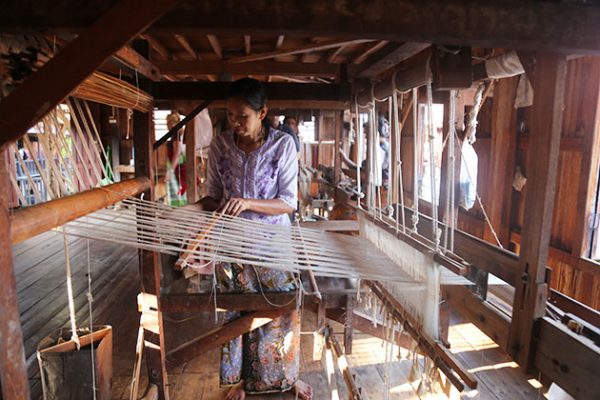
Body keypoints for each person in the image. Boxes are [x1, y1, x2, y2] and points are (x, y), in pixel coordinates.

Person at [198, 78, 313, 400]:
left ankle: (288, 379)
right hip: (232, 246)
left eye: (242, 116)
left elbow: (289, 202)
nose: (235, 123)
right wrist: (188, 210)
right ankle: (239, 381)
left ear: (262, 112)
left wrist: (248, 203)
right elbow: (213, 198)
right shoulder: (220, 146)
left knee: (281, 311)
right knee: (236, 313)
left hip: (272, 245)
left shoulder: (282, 146)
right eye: (230, 115)